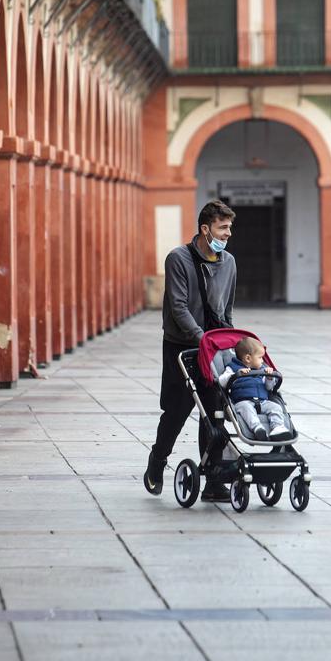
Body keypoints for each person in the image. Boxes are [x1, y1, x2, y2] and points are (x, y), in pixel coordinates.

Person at [143, 199, 237, 502]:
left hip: (213, 348)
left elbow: (227, 308)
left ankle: (214, 479)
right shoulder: (178, 259)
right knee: (177, 410)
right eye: (223, 228)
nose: (228, 234)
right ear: (205, 229)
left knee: (214, 414)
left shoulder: (229, 262)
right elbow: (179, 307)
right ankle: (158, 461)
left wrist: (229, 342)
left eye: (230, 228)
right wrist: (201, 338)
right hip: (181, 346)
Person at [219, 336, 288, 442]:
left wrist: (269, 377)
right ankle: (257, 428)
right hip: (243, 401)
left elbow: (269, 387)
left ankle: (277, 427)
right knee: (246, 409)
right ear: (248, 358)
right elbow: (221, 381)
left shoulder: (262, 369)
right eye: (260, 357)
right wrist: (236, 375)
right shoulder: (233, 368)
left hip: (263, 402)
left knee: (275, 407)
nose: (262, 361)